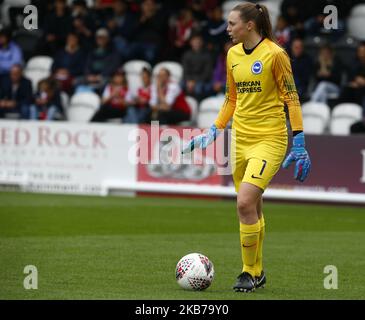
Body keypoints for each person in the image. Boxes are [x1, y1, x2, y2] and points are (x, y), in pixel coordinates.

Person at [182, 3, 311, 292]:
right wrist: (214, 129)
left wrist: (299, 140)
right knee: (252, 206)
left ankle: (248, 272)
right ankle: (259, 272)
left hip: (269, 139)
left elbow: (291, 98)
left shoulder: (276, 55)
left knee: (243, 202)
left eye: (231, 24)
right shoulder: (232, 55)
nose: (227, 29)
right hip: (240, 139)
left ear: (249, 26)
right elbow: (231, 98)